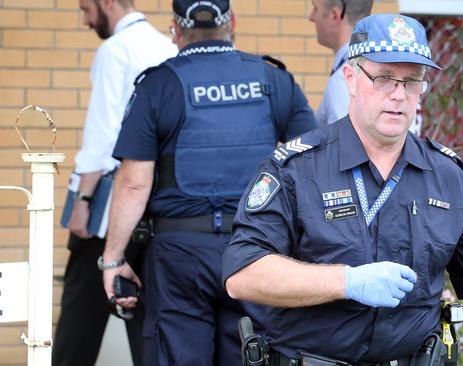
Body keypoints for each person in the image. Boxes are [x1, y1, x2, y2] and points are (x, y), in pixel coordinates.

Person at [223, 13, 463, 366]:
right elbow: (243, 275)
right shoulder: (296, 169)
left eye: (412, 81)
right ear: (350, 78)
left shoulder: (445, 175)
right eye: (384, 78)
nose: (399, 95)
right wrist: (346, 281)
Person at [99, 0, 318, 365]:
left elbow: (134, 184)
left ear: (175, 28)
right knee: (253, 354)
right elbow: (312, 165)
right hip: (256, 251)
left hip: (178, 257)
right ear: (231, 21)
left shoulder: (158, 85)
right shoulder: (274, 80)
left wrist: (113, 260)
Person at [53, 1, 177, 365]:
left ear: (107, 2)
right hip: (156, 204)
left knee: (80, 318)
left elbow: (103, 135)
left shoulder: (115, 50)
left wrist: (83, 200)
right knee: (144, 319)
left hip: (110, 203)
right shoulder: (167, 47)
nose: (86, 19)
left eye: (86, 8)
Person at [309, 0, 373, 125]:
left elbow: (347, 142)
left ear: (334, 16)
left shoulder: (346, 78)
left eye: (315, 9)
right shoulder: (377, 65)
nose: (311, 17)